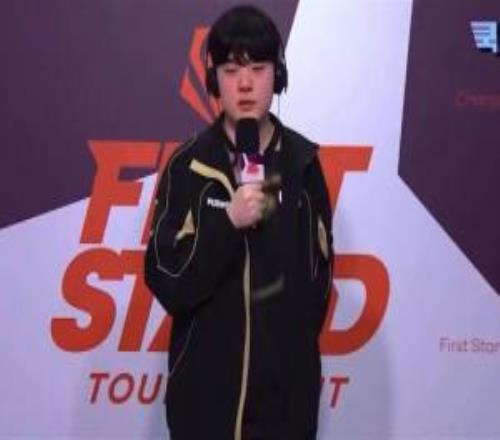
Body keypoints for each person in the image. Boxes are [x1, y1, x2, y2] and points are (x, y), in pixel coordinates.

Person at [144, 5, 333, 440]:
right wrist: (227, 223)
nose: (245, 84)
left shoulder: (303, 165)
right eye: (231, 70)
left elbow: (316, 290)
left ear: (277, 75)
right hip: (205, 406)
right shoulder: (189, 166)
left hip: (286, 409)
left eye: (258, 69)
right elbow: (167, 280)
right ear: (213, 79)